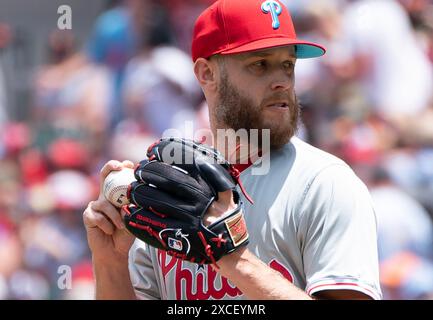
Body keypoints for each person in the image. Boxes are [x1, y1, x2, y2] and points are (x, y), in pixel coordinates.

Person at [83, 0, 382, 300]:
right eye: (260, 64)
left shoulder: (325, 184)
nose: (281, 81)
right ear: (207, 74)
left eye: (287, 65)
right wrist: (110, 262)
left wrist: (233, 258)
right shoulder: (170, 190)